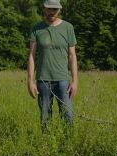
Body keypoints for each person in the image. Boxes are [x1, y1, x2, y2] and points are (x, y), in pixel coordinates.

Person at [27, 0, 78, 132]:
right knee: (45, 117)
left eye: (55, 9)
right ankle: (46, 146)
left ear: (59, 10)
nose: (51, 12)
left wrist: (75, 81)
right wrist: (30, 81)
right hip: (43, 80)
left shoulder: (68, 27)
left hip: (62, 80)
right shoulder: (36, 28)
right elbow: (32, 56)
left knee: (68, 116)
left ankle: (69, 144)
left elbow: (72, 56)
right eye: (49, 9)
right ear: (44, 9)